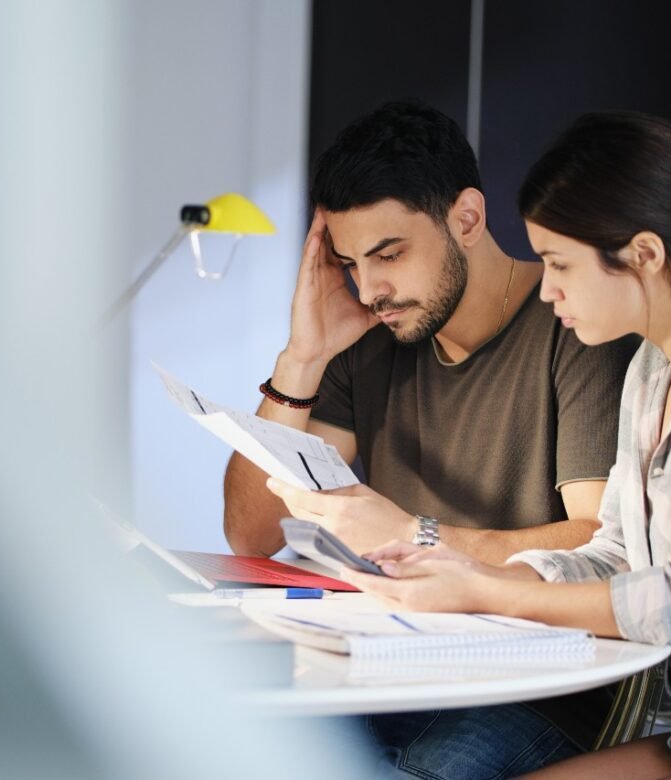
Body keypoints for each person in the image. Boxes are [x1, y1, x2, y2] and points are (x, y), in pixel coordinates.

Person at [277, 110, 671, 778]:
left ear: (643, 255)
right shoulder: (654, 370)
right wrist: (469, 576)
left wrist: (490, 594)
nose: (548, 289)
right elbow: (618, 552)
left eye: (560, 264)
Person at [224, 100, 639, 776]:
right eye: (351, 262)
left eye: (389, 253)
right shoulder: (371, 335)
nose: (371, 287)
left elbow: (598, 542)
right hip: (388, 663)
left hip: (537, 684)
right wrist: (300, 359)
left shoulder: (575, 325)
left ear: (467, 218)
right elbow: (252, 534)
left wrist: (418, 534)